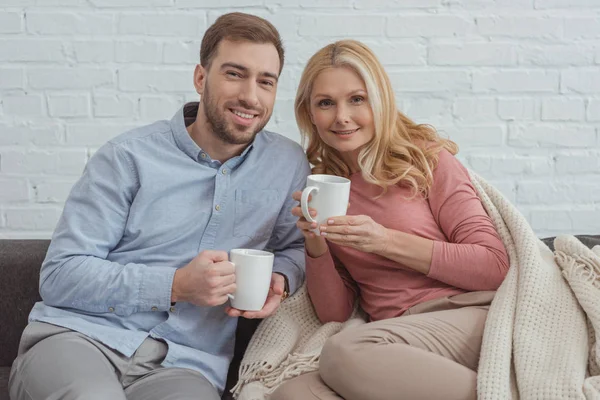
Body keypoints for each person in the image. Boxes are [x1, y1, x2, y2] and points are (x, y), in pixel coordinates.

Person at [9, 12, 310, 400]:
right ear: (201, 78)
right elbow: (60, 275)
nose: (251, 96)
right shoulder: (127, 157)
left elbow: (294, 246)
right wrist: (176, 286)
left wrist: (281, 279)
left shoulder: (286, 165)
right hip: (82, 339)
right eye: (234, 74)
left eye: (265, 82)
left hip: (186, 364)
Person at [271, 40, 510, 400]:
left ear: (378, 100)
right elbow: (334, 313)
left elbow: (494, 265)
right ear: (310, 113)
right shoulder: (322, 185)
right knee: (293, 394)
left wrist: (384, 241)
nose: (342, 117)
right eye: (326, 103)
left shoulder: (425, 159)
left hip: (464, 315)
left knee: (345, 352)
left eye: (357, 99)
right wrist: (316, 244)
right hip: (393, 337)